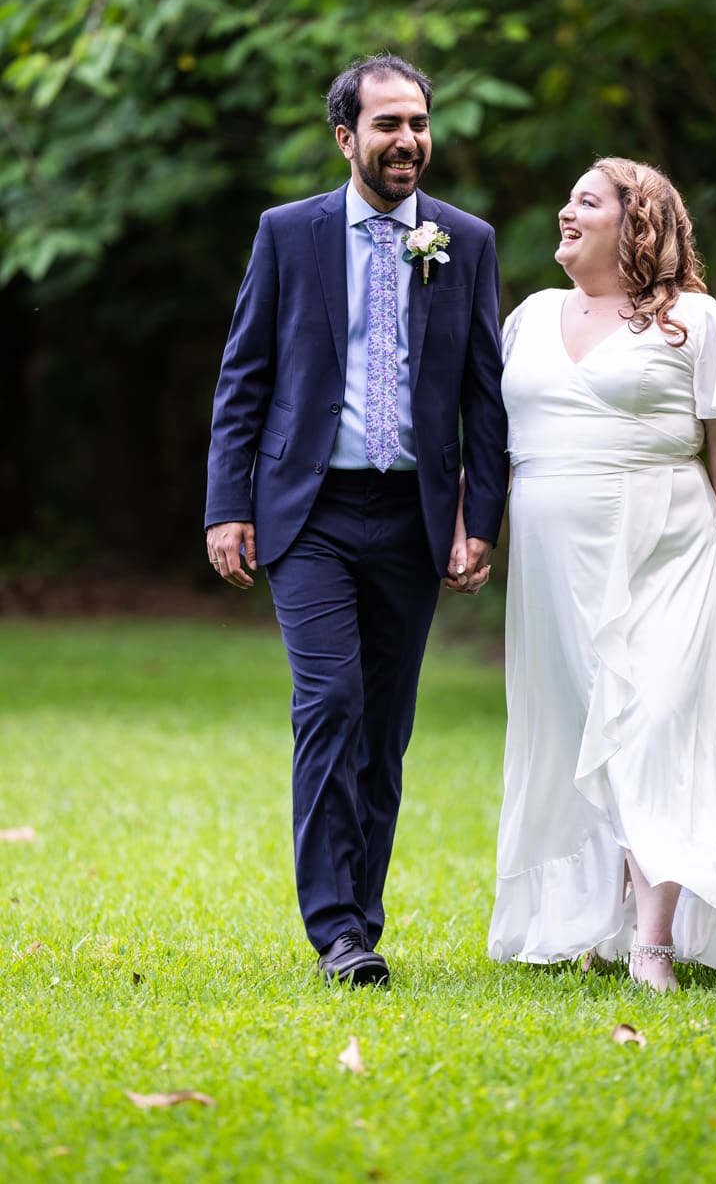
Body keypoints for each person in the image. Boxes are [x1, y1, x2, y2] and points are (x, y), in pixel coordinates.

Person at [205, 53, 508, 989]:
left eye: (417, 123)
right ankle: (335, 927)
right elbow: (244, 375)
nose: (407, 140)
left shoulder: (465, 240)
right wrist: (227, 504)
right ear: (347, 137)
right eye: (387, 125)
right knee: (330, 701)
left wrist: (480, 521)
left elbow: (483, 394)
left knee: (385, 730)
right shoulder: (287, 234)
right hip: (310, 514)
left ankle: (359, 923)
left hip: (414, 518)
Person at [482, 156, 716, 991]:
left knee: (654, 724)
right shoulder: (530, 318)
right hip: (553, 570)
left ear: (639, 223)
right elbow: (489, 446)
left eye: (587, 201)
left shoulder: (696, 323)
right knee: (583, 732)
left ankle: (653, 941)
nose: (564, 212)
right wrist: (467, 532)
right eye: (567, 199)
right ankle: (599, 919)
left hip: (666, 550)